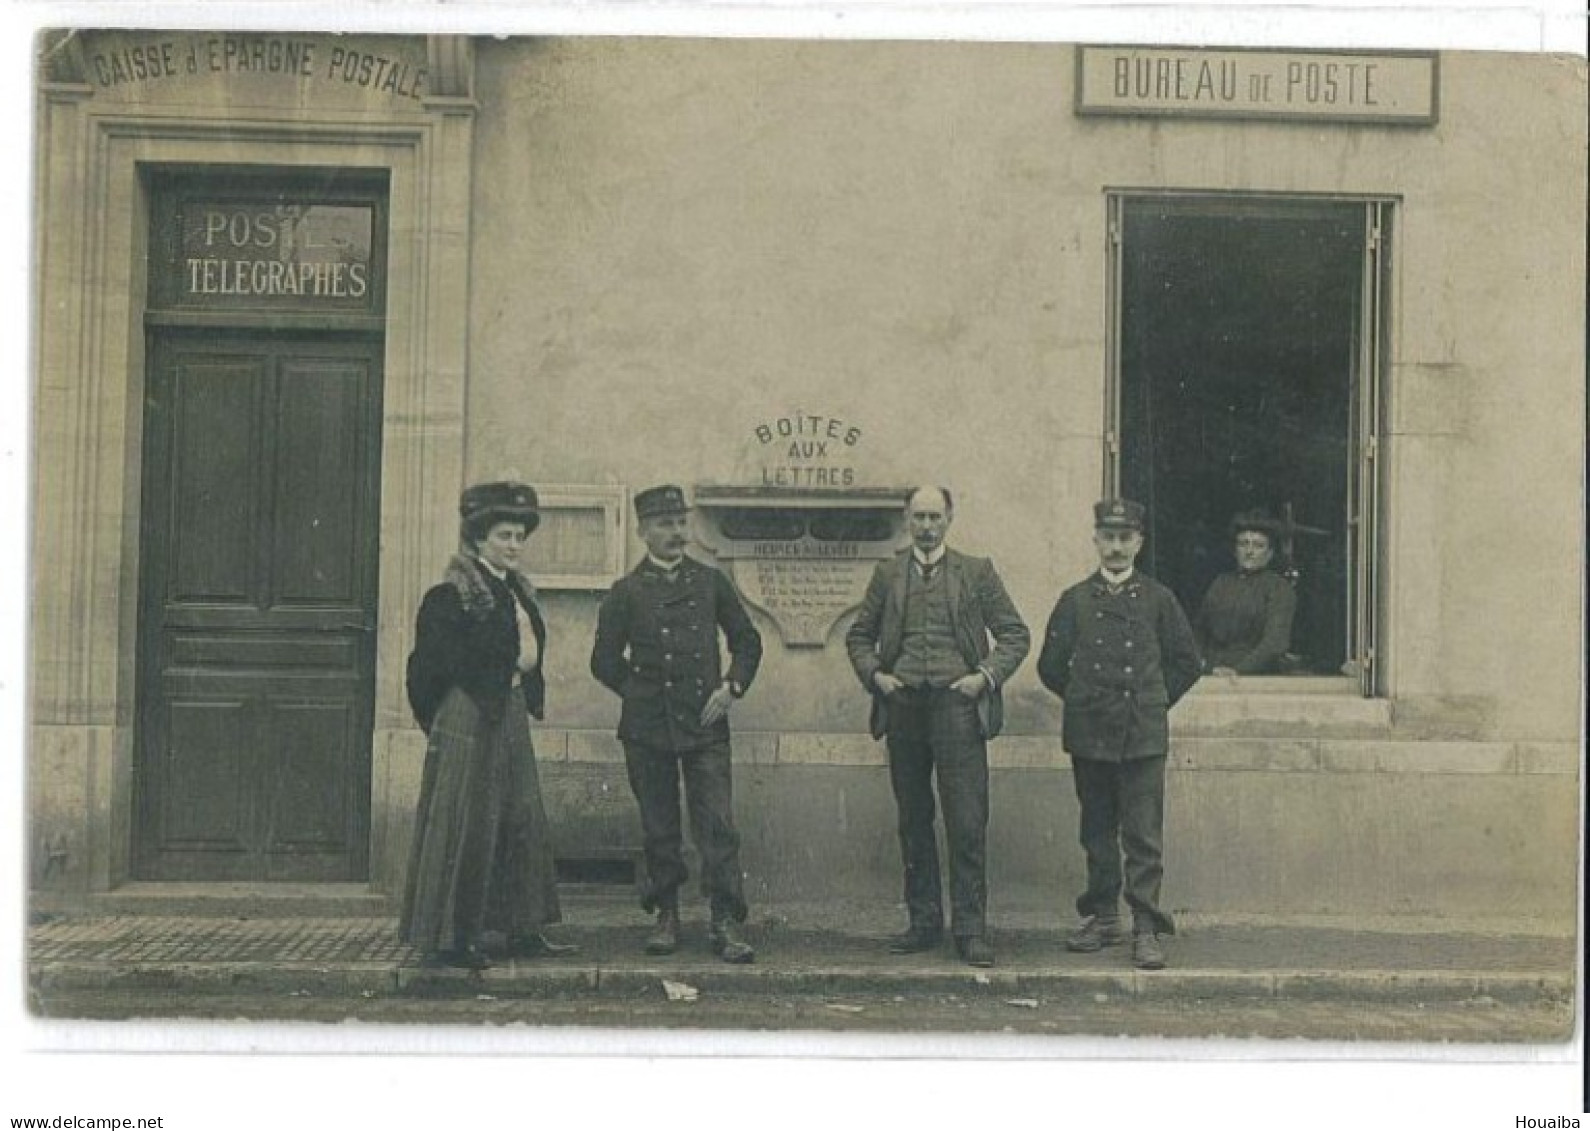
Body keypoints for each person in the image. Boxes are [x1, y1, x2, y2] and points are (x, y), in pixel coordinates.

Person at [844, 486, 1031, 968]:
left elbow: (1014, 633)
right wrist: (876, 677)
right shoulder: (888, 573)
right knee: (913, 819)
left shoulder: (976, 571)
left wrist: (983, 678)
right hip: (903, 704)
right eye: (918, 516)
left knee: (967, 821)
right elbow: (860, 635)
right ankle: (924, 923)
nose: (926, 525)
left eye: (935, 516)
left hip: (957, 707)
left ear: (950, 518)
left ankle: (970, 930)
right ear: (908, 519)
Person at [401, 481, 578, 970]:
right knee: (468, 821)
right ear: (478, 539)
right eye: (504, 535)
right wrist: (444, 721)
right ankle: (456, 938)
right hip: (471, 714)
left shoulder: (514, 591)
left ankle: (522, 928)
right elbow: (427, 667)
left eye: (520, 535)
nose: (514, 544)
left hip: (510, 712)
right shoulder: (450, 595)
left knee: (520, 817)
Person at [591, 484, 764, 963]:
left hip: (706, 725)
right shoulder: (626, 593)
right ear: (644, 532)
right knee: (659, 826)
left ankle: (725, 920)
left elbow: (747, 642)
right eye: (665, 524)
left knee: (718, 825)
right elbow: (603, 662)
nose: (676, 533)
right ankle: (665, 913)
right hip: (648, 729)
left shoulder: (711, 583)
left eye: (681, 523)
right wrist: (642, 694)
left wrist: (730, 689)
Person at [1036, 498, 1200, 971]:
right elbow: (1050, 667)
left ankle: (1145, 927)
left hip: (1142, 735)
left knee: (1143, 835)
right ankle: (1104, 917)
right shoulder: (1075, 600)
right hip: (1090, 733)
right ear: (1095, 541)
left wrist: (1150, 700)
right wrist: (1087, 698)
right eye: (1108, 538)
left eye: (1125, 538)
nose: (1116, 547)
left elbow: (1187, 661)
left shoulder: (1158, 599)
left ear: (1139, 543)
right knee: (1097, 830)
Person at [1195, 510, 1297, 677]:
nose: (1249, 551)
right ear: (1235, 550)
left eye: (1258, 545)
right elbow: (1200, 631)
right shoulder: (1221, 583)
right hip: (1213, 674)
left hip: (1255, 677)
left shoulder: (1278, 588)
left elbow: (1275, 643)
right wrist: (1204, 665)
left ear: (1270, 553)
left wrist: (1238, 670)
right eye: (1243, 544)